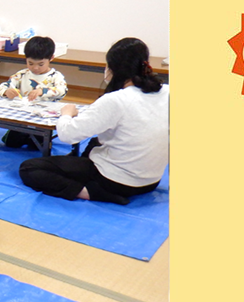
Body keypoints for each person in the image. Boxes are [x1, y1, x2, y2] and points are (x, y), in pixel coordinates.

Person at [19, 37, 168, 205]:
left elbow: (68, 135)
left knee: (29, 168)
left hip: (116, 181)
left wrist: (66, 114)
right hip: (151, 181)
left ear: (112, 68)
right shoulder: (168, 92)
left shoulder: (115, 100)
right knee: (95, 140)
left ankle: (91, 192)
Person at [0, 36, 68, 149]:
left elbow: (62, 90)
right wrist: (7, 91)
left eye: (41, 64)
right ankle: (24, 135)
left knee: (37, 146)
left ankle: (35, 138)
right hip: (22, 116)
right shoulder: (22, 74)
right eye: (30, 63)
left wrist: (42, 91)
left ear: (51, 58)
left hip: (43, 119)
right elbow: (4, 85)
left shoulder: (55, 77)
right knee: (11, 143)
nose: (35, 68)